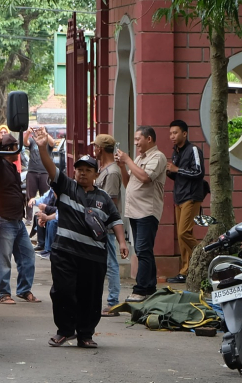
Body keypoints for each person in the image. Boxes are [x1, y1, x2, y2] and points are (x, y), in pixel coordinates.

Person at [41, 148, 128, 348]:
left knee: (90, 296)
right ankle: (64, 331)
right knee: (63, 292)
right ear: (74, 172)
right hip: (64, 252)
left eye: (88, 170)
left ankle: (85, 335)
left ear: (96, 174)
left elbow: (115, 220)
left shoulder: (104, 198)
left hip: (93, 257)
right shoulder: (66, 187)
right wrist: (40, 147)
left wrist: (122, 242)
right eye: (79, 169)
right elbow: (50, 167)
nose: (82, 172)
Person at [116, 126, 167, 301]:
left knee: (143, 251)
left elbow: (146, 178)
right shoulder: (138, 158)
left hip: (147, 211)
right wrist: (123, 166)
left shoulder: (158, 157)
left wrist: (128, 159)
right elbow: (128, 183)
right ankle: (149, 287)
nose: (136, 142)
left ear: (149, 139)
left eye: (138, 139)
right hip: (135, 211)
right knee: (142, 250)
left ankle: (140, 290)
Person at [0, 133, 38, 304]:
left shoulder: (11, 166)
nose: (18, 151)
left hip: (17, 219)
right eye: (14, 147)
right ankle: (3, 294)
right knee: (3, 258)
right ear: (8, 150)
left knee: (28, 255)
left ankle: (24, 290)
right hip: (3, 219)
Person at [166, 119, 208, 283]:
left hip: (192, 196)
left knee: (184, 233)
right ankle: (186, 270)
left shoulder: (194, 150)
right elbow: (178, 175)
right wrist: (170, 171)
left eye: (175, 133)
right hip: (179, 196)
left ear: (184, 133)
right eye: (170, 133)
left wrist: (177, 169)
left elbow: (198, 172)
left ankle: (204, 254)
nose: (172, 136)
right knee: (183, 235)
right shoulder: (176, 151)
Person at [92, 135, 124, 315]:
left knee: (111, 263)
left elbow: (109, 202)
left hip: (106, 226)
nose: (94, 150)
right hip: (97, 225)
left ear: (101, 149)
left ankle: (113, 302)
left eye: (95, 147)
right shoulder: (103, 169)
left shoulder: (112, 172)